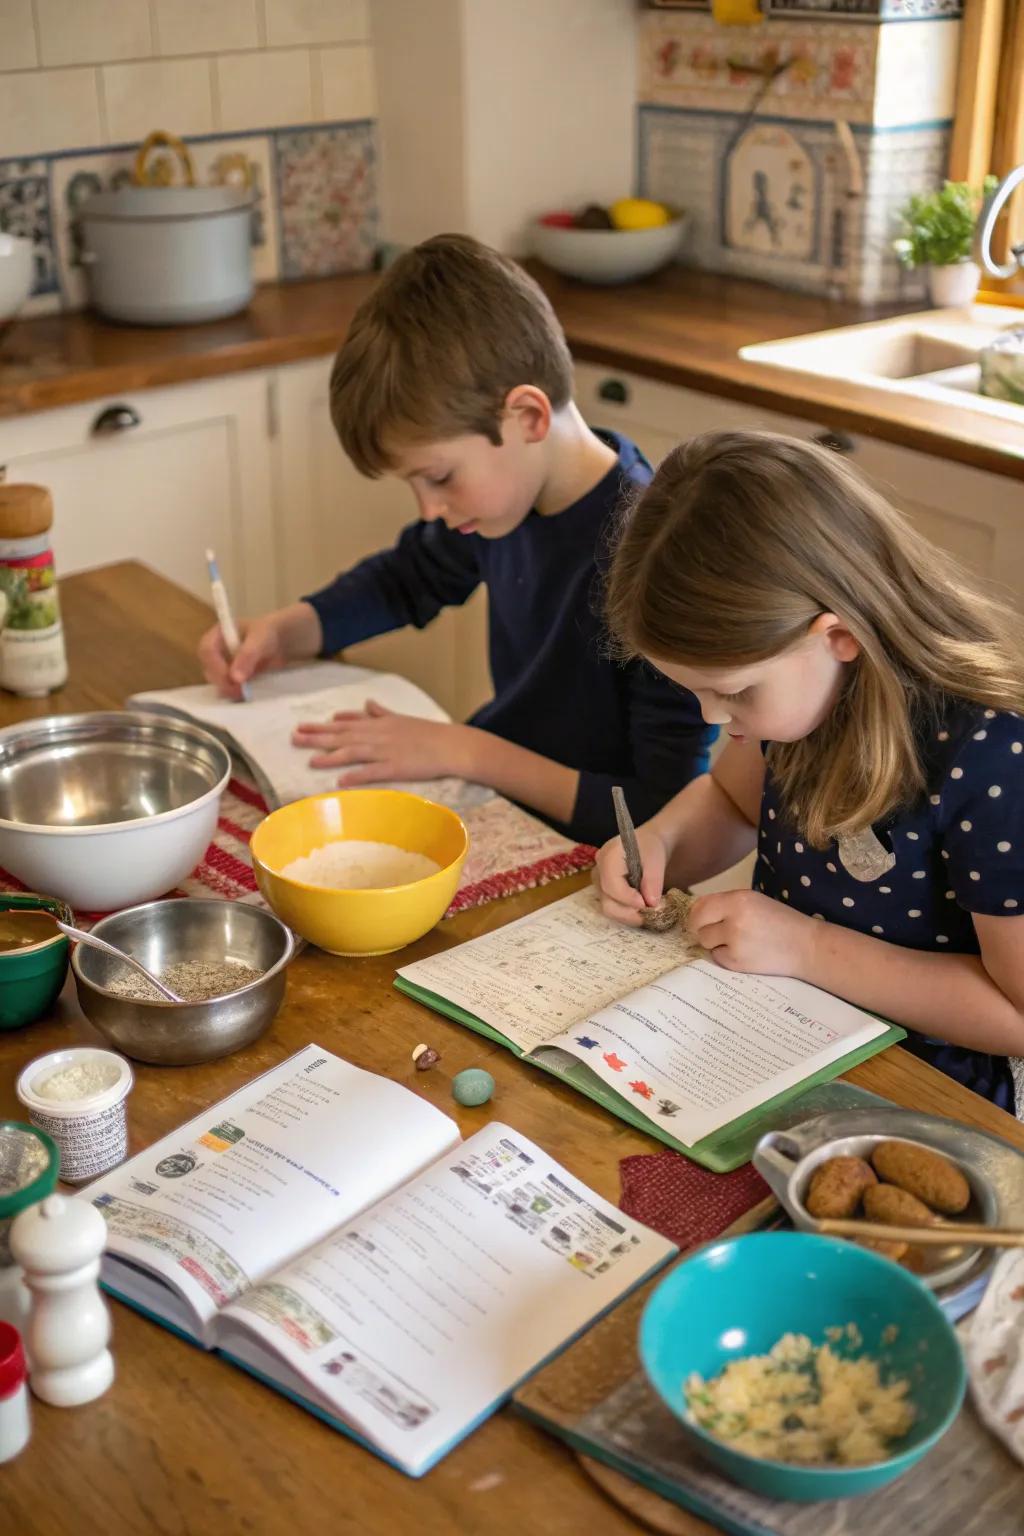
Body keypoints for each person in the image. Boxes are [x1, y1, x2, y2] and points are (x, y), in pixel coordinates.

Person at [198, 234, 713, 844]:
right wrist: (286, 632)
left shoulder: (654, 557)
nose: (430, 509)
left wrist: (466, 750)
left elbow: (663, 812)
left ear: (528, 417)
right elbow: (407, 579)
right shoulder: (508, 499)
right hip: (503, 809)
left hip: (594, 857)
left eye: (439, 477)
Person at [595, 429, 1024, 1110]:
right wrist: (663, 844)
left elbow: (1016, 1015)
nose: (713, 717)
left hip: (925, 1089)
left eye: (734, 691)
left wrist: (810, 949)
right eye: (693, 690)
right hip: (775, 1031)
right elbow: (732, 804)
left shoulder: (992, 754)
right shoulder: (798, 702)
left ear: (839, 636)